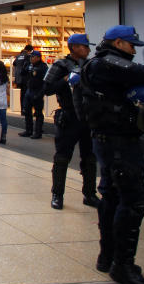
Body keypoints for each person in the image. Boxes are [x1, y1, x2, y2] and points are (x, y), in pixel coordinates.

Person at [79, 25, 144, 284]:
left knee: (112, 196)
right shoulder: (106, 63)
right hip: (116, 141)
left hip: (114, 138)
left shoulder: (105, 64)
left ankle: (109, 257)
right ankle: (122, 265)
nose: (134, 50)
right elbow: (138, 72)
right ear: (119, 43)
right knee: (133, 200)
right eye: (132, 45)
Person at [44, 34, 99, 210]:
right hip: (68, 117)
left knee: (90, 158)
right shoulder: (60, 65)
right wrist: (66, 80)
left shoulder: (90, 65)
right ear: (74, 47)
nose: (88, 50)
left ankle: (89, 194)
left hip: (88, 117)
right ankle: (57, 194)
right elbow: (47, 89)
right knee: (62, 157)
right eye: (85, 47)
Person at [19, 50, 48, 139]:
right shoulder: (30, 65)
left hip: (38, 91)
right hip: (29, 90)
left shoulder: (43, 67)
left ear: (38, 58)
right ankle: (28, 130)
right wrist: (25, 65)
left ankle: (38, 132)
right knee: (27, 111)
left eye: (33, 57)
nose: (31, 58)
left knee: (38, 113)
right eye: (30, 57)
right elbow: (22, 73)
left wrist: (41, 93)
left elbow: (45, 81)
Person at [13, 44, 33, 122]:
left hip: (18, 78)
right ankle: (26, 110)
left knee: (22, 94)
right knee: (27, 94)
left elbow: (14, 63)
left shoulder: (18, 56)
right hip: (26, 78)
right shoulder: (27, 56)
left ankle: (22, 110)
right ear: (29, 50)